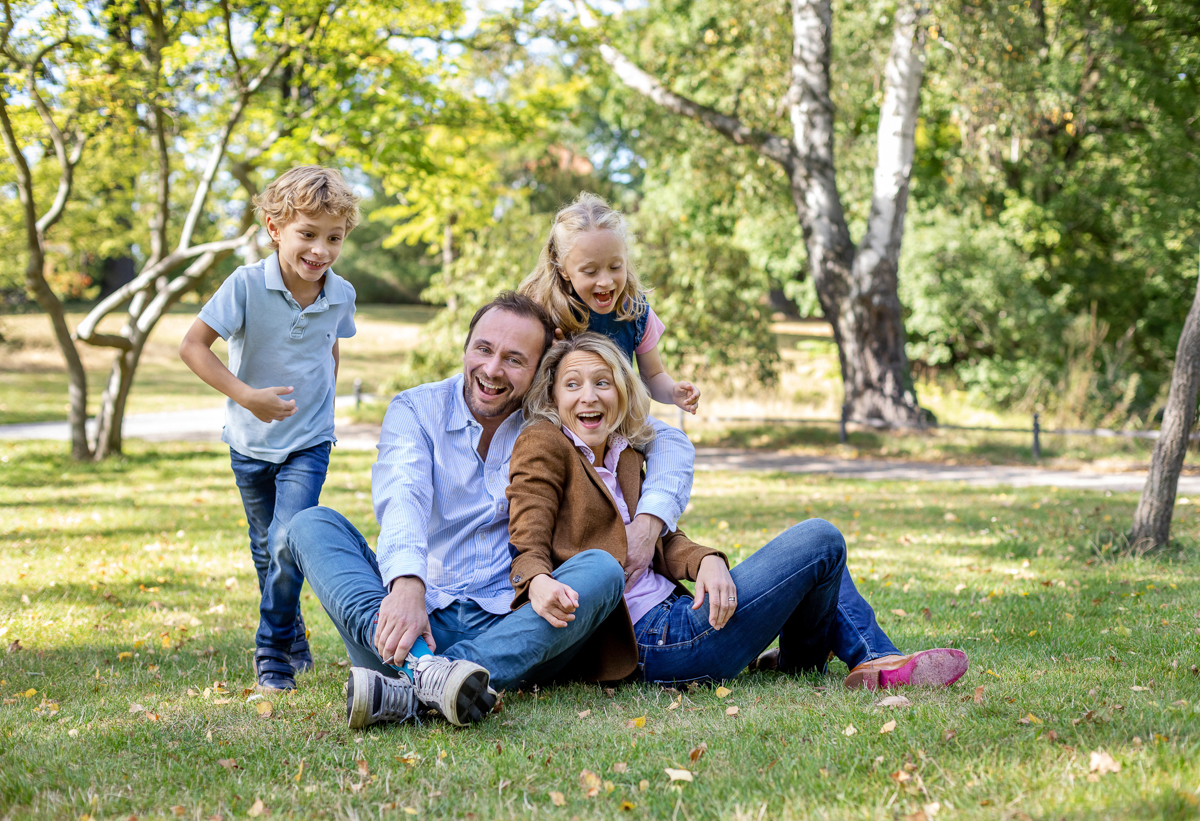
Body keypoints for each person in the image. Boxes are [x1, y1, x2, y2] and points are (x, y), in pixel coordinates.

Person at [284, 292, 698, 728]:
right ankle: (432, 674)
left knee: (602, 570)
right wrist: (406, 585)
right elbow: (402, 495)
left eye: (515, 360)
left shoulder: (552, 418)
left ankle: (412, 684)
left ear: (541, 369)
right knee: (311, 524)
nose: (492, 370)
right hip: (416, 620)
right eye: (483, 349)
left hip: (518, 629)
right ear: (466, 347)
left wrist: (651, 521)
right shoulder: (416, 408)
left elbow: (666, 439)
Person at [508, 333, 849, 682]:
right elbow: (526, 535)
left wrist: (707, 559)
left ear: (622, 391)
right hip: (652, 639)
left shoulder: (623, 452)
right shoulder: (545, 442)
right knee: (821, 542)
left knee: (815, 555)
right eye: (572, 384)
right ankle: (813, 663)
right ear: (553, 396)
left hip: (680, 612)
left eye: (602, 382)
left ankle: (802, 666)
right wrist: (535, 581)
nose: (589, 396)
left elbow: (660, 541)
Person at [179, 166, 360, 692]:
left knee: (287, 540)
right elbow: (193, 346)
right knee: (266, 547)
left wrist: (322, 407)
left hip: (309, 442)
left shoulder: (341, 294)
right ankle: (293, 635)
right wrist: (247, 397)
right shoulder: (245, 285)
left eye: (334, 238)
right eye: (308, 234)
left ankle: (272, 652)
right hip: (250, 444)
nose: (321, 250)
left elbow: (331, 346)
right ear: (274, 227)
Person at [519, 192, 700, 415]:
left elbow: (652, 376)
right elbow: (521, 377)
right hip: (557, 424)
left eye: (615, 267)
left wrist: (673, 392)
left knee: (675, 444)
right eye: (590, 271)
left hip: (619, 426)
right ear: (563, 269)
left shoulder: (635, 311)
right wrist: (548, 360)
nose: (605, 281)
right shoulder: (541, 313)